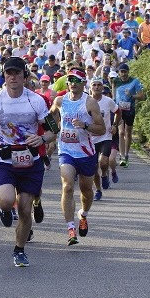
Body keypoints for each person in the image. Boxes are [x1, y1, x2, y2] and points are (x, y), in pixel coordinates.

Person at [0, 57, 53, 267]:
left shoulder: (36, 100)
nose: (13, 77)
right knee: (6, 200)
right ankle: (4, 208)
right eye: (9, 73)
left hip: (31, 161)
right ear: (4, 77)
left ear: (25, 76)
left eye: (17, 73)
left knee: (26, 209)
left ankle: (19, 250)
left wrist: (42, 138)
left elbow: (55, 127)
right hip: (5, 160)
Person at [48, 69, 106, 246]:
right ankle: (70, 228)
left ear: (83, 83)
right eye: (70, 80)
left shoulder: (90, 103)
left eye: (76, 80)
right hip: (66, 150)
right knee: (67, 186)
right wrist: (51, 133)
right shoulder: (59, 101)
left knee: (86, 191)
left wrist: (85, 125)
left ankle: (83, 215)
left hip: (85, 152)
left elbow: (102, 129)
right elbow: (50, 118)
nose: (72, 83)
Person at [88, 77, 120, 200]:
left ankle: (105, 175)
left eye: (98, 85)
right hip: (90, 138)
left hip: (105, 136)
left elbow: (118, 112)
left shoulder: (108, 101)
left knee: (104, 161)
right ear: (90, 87)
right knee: (94, 167)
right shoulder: (86, 101)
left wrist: (114, 125)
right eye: (94, 85)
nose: (96, 87)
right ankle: (98, 190)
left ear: (102, 87)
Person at [111, 63, 145, 168]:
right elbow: (113, 95)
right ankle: (122, 156)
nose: (124, 74)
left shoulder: (135, 81)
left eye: (125, 71)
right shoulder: (115, 81)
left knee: (128, 133)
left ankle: (126, 154)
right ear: (119, 73)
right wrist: (113, 105)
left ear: (128, 72)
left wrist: (132, 95)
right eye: (122, 72)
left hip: (130, 110)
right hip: (119, 110)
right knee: (121, 132)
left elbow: (142, 96)